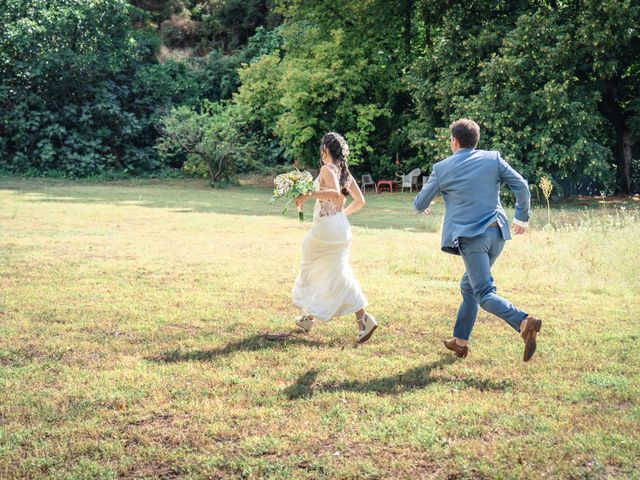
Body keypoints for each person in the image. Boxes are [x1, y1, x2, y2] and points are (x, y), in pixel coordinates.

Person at [414, 119, 542, 361]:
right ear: (476, 140)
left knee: (483, 292)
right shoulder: (492, 158)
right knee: (468, 286)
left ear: (454, 141)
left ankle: (524, 321)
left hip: (473, 240)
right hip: (498, 234)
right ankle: (460, 342)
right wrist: (521, 218)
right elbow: (522, 186)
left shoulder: (442, 168)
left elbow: (420, 202)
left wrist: (426, 203)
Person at [292, 132, 377, 344]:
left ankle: (362, 319)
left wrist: (309, 195)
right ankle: (308, 317)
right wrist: (341, 215)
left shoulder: (327, 168)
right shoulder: (343, 171)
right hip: (339, 227)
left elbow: (333, 192)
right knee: (331, 272)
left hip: (326, 229)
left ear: (325, 150)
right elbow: (360, 201)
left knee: (312, 267)